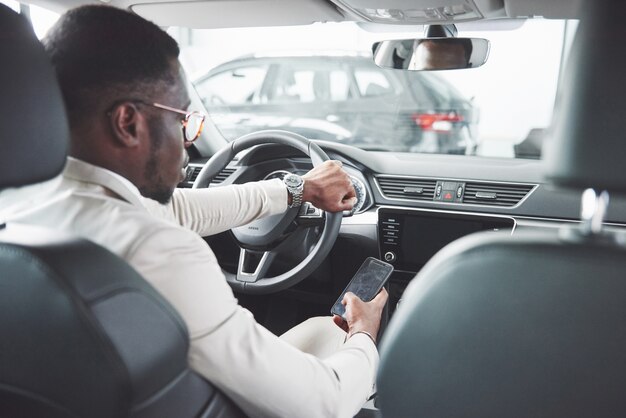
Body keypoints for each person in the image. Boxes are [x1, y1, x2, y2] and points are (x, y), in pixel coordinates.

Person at [0, 5, 388, 418]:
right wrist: (365, 334)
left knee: (315, 332)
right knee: (338, 345)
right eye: (185, 120)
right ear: (128, 123)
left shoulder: (22, 209)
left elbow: (179, 209)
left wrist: (297, 189)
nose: (189, 141)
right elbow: (323, 404)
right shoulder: (160, 251)